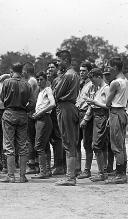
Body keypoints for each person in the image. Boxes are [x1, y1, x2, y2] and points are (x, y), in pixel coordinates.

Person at [0, 63, 33, 183]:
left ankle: (11, 176)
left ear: (11, 70)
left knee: (9, 145)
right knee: (23, 146)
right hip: (22, 115)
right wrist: (25, 109)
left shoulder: (7, 82)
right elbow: (32, 103)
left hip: (9, 113)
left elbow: (2, 98)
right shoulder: (27, 84)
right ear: (22, 71)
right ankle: (22, 176)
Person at [53, 50, 80, 186]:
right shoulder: (74, 74)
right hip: (71, 107)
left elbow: (56, 93)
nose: (57, 63)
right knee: (70, 141)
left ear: (65, 60)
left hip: (65, 108)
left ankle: (70, 177)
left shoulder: (67, 75)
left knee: (68, 141)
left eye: (58, 60)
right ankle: (70, 175)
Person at [80, 68, 110, 182]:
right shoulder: (98, 88)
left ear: (98, 77)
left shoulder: (106, 88)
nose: (92, 83)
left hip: (102, 116)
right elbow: (92, 107)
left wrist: (94, 102)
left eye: (93, 80)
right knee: (98, 145)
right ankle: (102, 171)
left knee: (97, 145)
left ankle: (102, 173)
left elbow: (109, 105)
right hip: (96, 117)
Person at [103, 57, 128, 184]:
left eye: (109, 67)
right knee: (121, 144)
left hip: (116, 112)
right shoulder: (126, 81)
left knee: (116, 145)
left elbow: (108, 102)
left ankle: (120, 175)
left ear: (115, 67)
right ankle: (121, 170)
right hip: (123, 112)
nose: (108, 69)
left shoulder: (115, 83)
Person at [31, 71, 56, 179]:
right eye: (38, 79)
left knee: (39, 146)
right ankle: (47, 170)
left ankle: (43, 171)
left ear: (46, 80)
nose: (39, 81)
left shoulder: (48, 89)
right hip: (39, 119)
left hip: (44, 119)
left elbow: (52, 104)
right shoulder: (40, 91)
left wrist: (40, 112)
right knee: (44, 146)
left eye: (41, 79)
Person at [75, 61, 96, 179]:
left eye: (84, 71)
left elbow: (91, 105)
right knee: (76, 142)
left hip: (86, 115)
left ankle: (87, 170)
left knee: (87, 144)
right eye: (80, 71)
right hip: (78, 113)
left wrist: (86, 119)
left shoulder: (92, 85)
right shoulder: (80, 84)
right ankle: (77, 168)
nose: (81, 73)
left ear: (89, 72)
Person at [47, 61, 65, 175]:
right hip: (53, 113)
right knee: (54, 140)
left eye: (52, 67)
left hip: (57, 112)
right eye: (48, 67)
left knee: (58, 139)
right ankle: (58, 165)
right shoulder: (52, 81)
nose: (49, 69)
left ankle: (60, 165)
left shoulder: (59, 80)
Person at [23, 62, 39, 174]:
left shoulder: (31, 81)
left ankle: (31, 164)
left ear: (26, 71)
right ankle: (35, 163)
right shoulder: (34, 80)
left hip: (31, 113)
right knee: (33, 139)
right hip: (34, 112)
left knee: (30, 139)